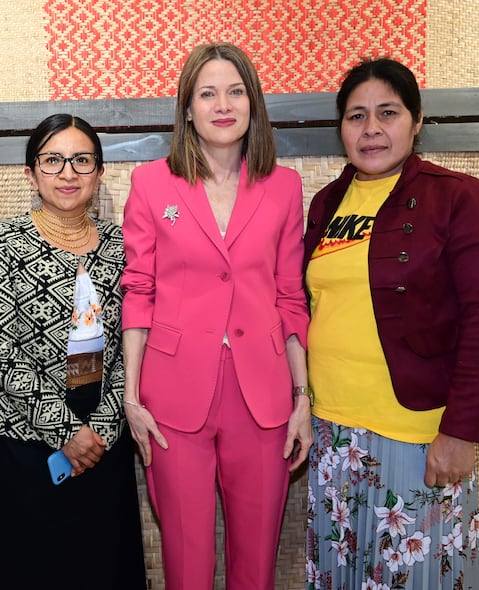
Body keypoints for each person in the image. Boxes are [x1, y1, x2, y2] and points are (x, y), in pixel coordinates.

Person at [303, 57, 479, 589]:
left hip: (416, 438)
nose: (371, 129)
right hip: (334, 437)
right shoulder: (327, 204)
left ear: (416, 121)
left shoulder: (459, 198)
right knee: (343, 576)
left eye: (387, 113)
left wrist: (461, 432)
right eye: (356, 116)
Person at [121, 42, 312, 590]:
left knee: (256, 565)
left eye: (235, 91)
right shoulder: (153, 184)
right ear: (187, 108)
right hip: (173, 398)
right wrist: (132, 399)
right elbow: (139, 293)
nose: (222, 104)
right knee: (186, 562)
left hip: (264, 397)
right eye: (207, 93)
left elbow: (289, 297)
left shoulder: (283, 187)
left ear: (253, 103)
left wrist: (302, 399)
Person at [0, 113, 147, 590]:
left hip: (102, 443)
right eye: (53, 160)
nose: (68, 173)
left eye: (81, 160)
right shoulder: (3, 243)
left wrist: (102, 429)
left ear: (100, 171)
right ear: (31, 173)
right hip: (22, 442)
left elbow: (133, 341)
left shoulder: (121, 246)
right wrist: (64, 430)